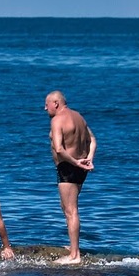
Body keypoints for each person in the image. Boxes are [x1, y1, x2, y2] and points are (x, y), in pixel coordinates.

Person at [45, 90, 96, 263]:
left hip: (69, 166)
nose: (45, 108)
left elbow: (59, 149)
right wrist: (88, 159)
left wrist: (75, 163)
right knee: (66, 206)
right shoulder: (79, 116)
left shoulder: (57, 120)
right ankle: (73, 246)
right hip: (79, 166)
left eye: (47, 104)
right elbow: (93, 140)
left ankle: (75, 255)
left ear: (56, 103)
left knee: (71, 210)